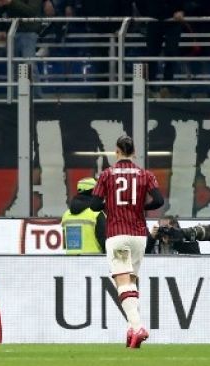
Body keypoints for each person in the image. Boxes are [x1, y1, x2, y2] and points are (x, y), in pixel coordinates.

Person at [90, 135, 164, 348]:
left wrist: (111, 206)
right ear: (133, 152)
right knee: (130, 282)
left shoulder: (106, 175)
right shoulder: (145, 174)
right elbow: (158, 200)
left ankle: (138, 327)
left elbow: (95, 205)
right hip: (139, 235)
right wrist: (140, 207)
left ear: (117, 151)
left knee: (122, 282)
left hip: (118, 234)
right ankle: (132, 330)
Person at [136, 0, 185, 97]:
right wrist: (149, 13)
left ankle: (167, 86)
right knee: (151, 53)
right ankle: (149, 87)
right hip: (154, 20)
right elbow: (139, 3)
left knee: (171, 52)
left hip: (173, 21)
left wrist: (182, 10)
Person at [61, 177, 106, 254]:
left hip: (72, 262)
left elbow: (65, 244)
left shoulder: (66, 215)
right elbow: (104, 242)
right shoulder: (96, 213)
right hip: (94, 262)